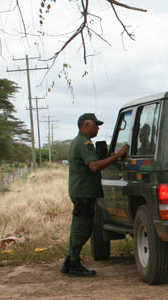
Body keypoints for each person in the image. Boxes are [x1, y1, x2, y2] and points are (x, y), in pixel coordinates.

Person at [60, 113, 129, 277]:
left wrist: (108, 157)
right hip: (83, 192)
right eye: (95, 125)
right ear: (86, 125)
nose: (98, 128)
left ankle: (69, 262)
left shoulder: (81, 142)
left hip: (82, 191)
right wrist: (118, 156)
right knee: (81, 228)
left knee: (80, 226)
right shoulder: (84, 143)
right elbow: (94, 166)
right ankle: (74, 264)